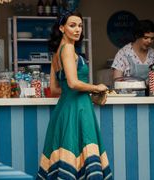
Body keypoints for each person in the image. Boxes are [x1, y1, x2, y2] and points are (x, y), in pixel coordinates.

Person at [37, 11, 113, 179]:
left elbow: (55, 89)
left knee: (67, 156)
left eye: (80, 25)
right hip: (79, 109)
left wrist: (82, 89)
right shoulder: (69, 48)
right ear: (62, 28)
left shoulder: (56, 53)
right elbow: (72, 83)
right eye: (72, 25)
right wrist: (96, 87)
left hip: (63, 110)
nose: (77, 29)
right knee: (83, 152)